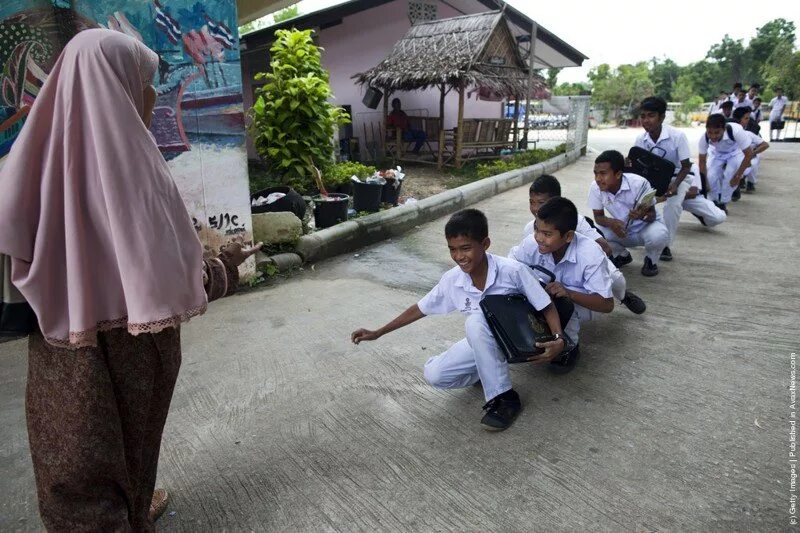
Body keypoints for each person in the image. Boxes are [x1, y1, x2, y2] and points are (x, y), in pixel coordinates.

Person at [0, 30, 261, 531]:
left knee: (70, 452)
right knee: (129, 441)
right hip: (133, 347)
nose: (153, 97)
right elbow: (175, 275)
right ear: (118, 84)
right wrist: (225, 264)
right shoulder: (138, 172)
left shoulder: (25, 164)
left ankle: (130, 511)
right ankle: (133, 510)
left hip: (57, 341)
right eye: (147, 84)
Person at [351, 209, 567, 431]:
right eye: (452, 250)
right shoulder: (452, 280)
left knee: (475, 321)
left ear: (485, 244)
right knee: (434, 375)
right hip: (484, 342)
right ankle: (487, 370)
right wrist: (378, 332)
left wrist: (558, 340)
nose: (459, 257)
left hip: (518, 340)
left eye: (465, 248)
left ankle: (505, 398)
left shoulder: (512, 271)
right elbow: (420, 308)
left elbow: (546, 305)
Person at [525, 174, 646, 314]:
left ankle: (624, 296)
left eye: (541, 203)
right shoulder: (529, 229)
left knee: (617, 280)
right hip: (554, 268)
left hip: (584, 266)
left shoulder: (577, 222)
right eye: (531, 202)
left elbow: (605, 248)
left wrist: (582, 265)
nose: (535, 208)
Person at [509, 197, 614, 349]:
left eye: (547, 234)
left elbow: (606, 305)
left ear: (568, 236)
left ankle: (569, 346)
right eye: (536, 229)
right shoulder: (531, 243)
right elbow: (513, 269)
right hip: (551, 292)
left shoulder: (590, 253)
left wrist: (568, 293)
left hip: (582, 301)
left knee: (563, 303)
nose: (538, 238)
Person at [589, 150, 669, 277]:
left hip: (645, 229)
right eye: (596, 173)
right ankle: (622, 255)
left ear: (618, 174)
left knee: (658, 235)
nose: (598, 179)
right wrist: (611, 223)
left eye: (603, 173)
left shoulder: (639, 183)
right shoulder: (595, 187)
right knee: (592, 233)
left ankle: (651, 260)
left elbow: (652, 215)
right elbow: (598, 217)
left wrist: (642, 215)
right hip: (623, 231)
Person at [634, 96, 691, 262]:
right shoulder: (641, 139)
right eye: (643, 116)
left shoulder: (677, 136)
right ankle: (639, 237)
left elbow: (686, 166)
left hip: (677, 177)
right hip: (652, 178)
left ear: (662, 117)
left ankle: (665, 245)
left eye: (651, 115)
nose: (646, 120)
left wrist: (674, 185)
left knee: (672, 206)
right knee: (637, 203)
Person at [698, 113, 754, 212]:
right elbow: (702, 161)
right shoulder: (704, 138)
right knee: (711, 176)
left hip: (735, 152)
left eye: (717, 132)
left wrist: (738, 176)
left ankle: (723, 202)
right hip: (717, 153)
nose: (713, 136)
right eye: (710, 132)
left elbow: (749, 154)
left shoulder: (736, 131)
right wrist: (704, 182)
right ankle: (714, 201)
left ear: (723, 129)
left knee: (729, 175)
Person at [732, 107, 769, 193]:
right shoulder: (730, 132)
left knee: (753, 163)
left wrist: (753, 153)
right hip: (735, 157)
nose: (748, 120)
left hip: (749, 156)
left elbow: (765, 145)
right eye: (746, 118)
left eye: (748, 118)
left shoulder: (748, 134)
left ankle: (750, 183)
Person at [680, 163, 728, 228]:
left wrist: (671, 193)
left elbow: (692, 193)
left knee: (718, 217)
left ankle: (701, 215)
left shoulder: (692, 166)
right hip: (665, 197)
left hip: (684, 198)